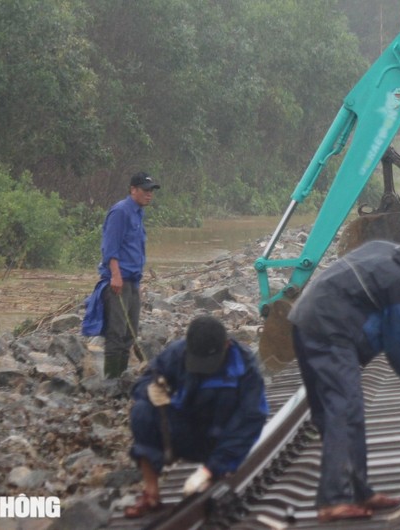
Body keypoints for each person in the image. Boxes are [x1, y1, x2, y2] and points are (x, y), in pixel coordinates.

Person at [287, 240, 400, 522]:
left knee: (333, 413)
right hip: (330, 329)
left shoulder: (395, 255)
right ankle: (333, 500)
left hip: (308, 319)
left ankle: (358, 491)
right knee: (345, 409)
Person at [125, 316, 268, 518]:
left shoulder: (244, 365)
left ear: (226, 345)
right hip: (187, 432)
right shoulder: (177, 352)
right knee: (142, 411)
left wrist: (211, 469)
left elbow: (250, 419)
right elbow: (144, 381)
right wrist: (150, 390)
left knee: (234, 439)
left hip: (221, 439)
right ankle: (150, 492)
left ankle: (218, 472)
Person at [82, 172, 160, 378]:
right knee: (116, 333)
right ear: (132, 189)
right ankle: (111, 380)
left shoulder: (138, 212)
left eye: (151, 191)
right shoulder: (121, 212)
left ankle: (122, 378)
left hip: (132, 281)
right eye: (145, 190)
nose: (149, 195)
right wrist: (115, 276)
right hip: (119, 281)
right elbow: (110, 248)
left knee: (130, 333)